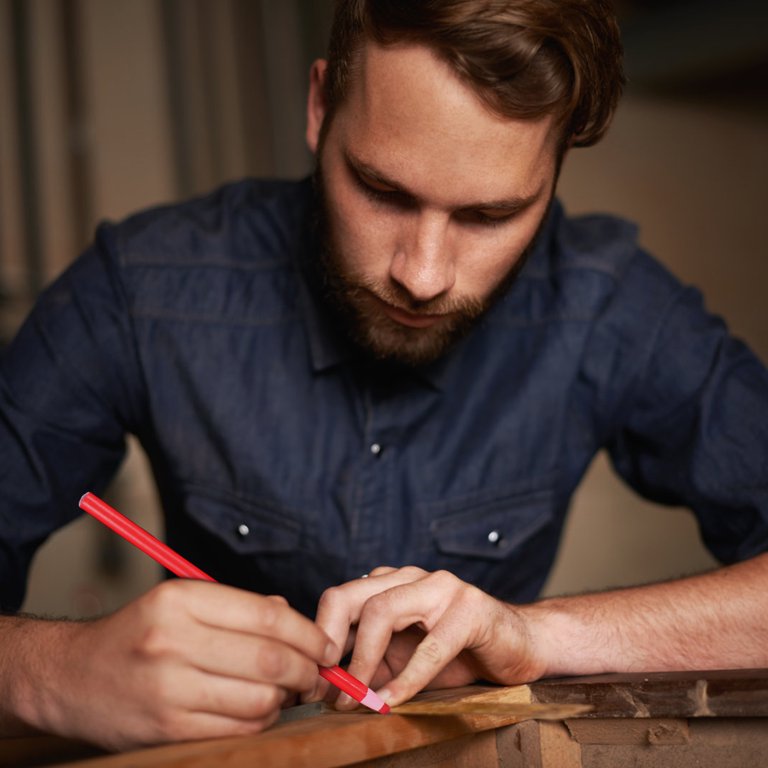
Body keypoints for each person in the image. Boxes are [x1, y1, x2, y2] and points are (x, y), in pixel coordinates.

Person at [1, 0, 767, 752]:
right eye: (381, 191)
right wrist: (51, 673)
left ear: (557, 168)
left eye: (490, 217)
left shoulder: (613, 306)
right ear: (318, 107)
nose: (424, 276)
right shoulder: (142, 287)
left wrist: (535, 635)